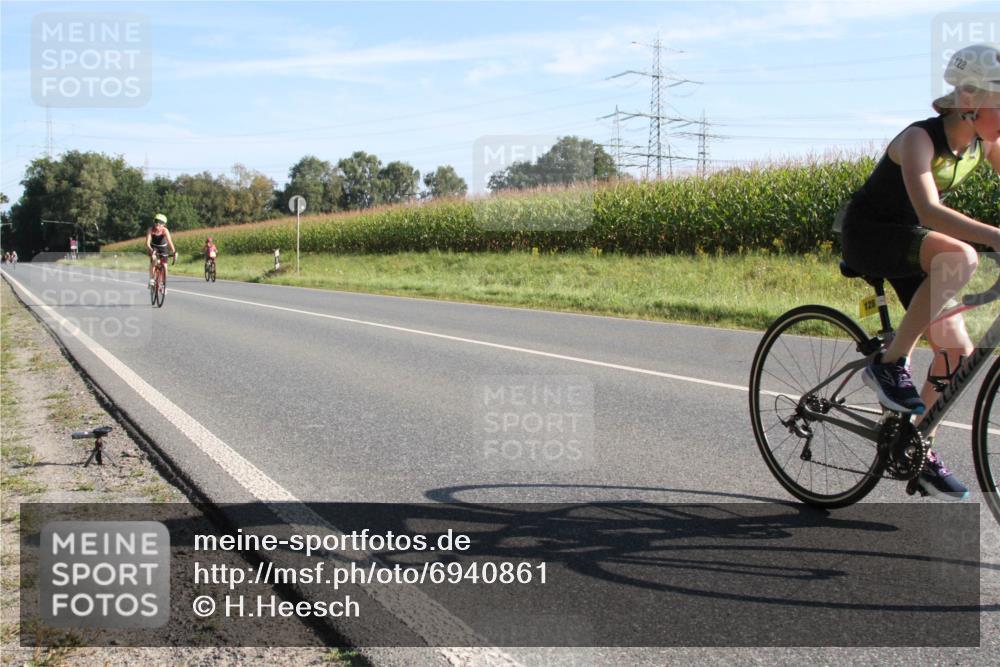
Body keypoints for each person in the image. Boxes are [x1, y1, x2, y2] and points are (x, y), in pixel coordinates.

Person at [841, 43, 1000, 500]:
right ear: (969, 100)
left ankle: (915, 445)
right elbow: (928, 212)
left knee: (956, 351)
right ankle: (889, 366)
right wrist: (994, 235)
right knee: (963, 256)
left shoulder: (983, 144)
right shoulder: (919, 139)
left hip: (913, 247)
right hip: (870, 236)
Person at [146, 213, 176, 285]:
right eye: (156, 221)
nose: (157, 224)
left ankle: (164, 283)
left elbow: (170, 242)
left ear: (164, 224)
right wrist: (150, 249)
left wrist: (174, 252)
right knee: (154, 260)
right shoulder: (151, 230)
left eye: (160, 222)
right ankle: (152, 279)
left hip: (163, 247)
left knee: (165, 266)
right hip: (154, 247)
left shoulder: (165, 231)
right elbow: (147, 243)